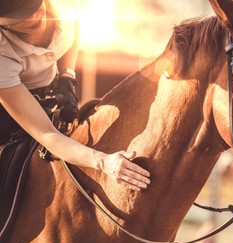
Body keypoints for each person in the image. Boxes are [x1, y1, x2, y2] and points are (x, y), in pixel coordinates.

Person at [0, 0, 151, 191]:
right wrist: (104, 162)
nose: (33, 16)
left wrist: (67, 75)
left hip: (50, 86)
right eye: (20, 16)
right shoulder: (2, 55)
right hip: (10, 102)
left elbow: (75, 26)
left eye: (33, 5)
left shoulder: (66, 3)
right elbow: (46, 133)